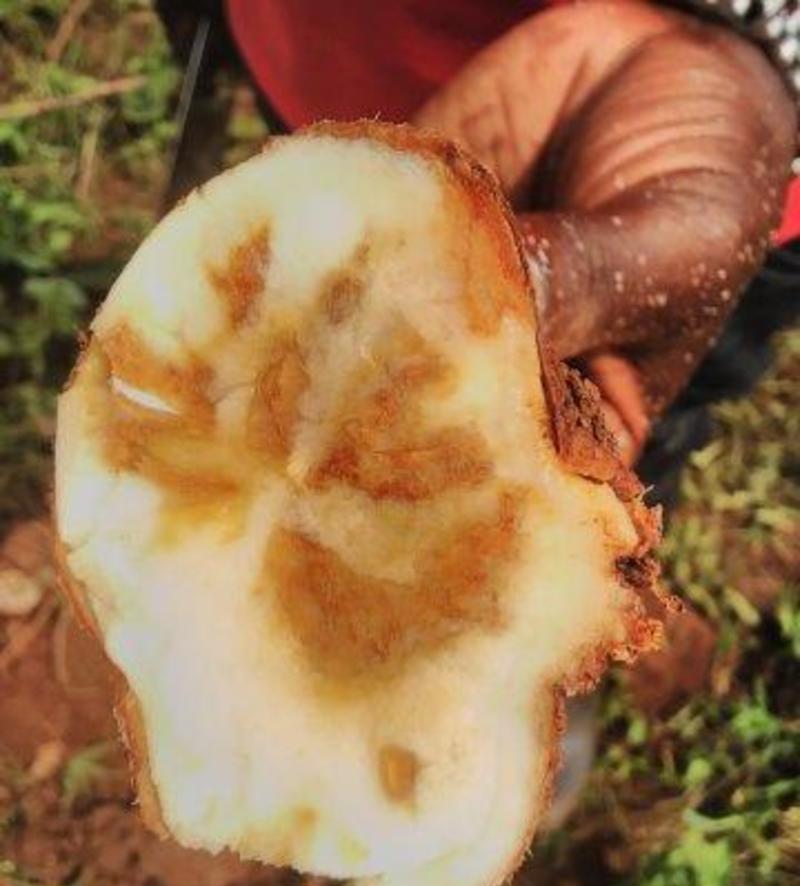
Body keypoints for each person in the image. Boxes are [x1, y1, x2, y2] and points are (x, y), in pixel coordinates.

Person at [158, 0, 798, 816]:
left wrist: (764, 40)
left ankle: (546, 677)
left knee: (615, 440)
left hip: (693, 165)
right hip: (334, 53)